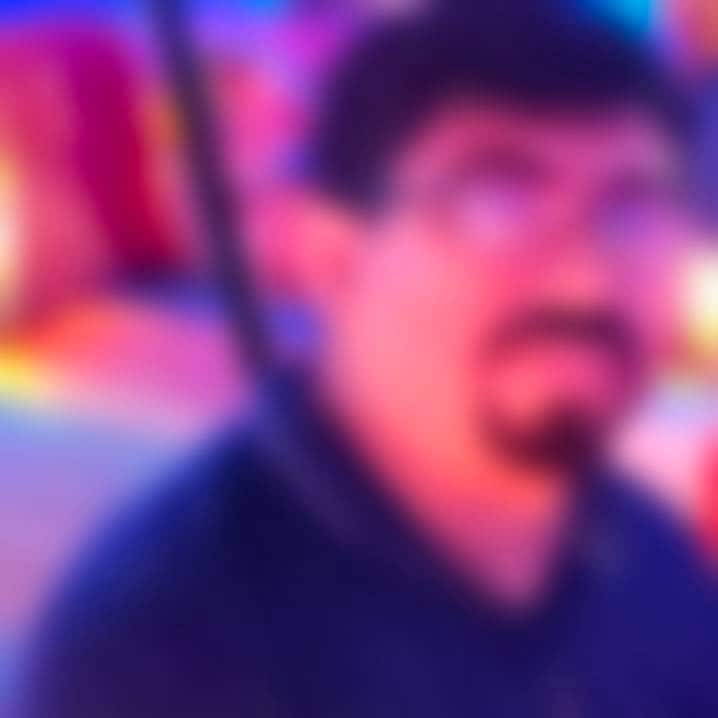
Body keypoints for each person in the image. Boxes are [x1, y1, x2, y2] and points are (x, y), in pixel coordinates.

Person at [19, 4, 717, 716]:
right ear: (335, 258)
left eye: (628, 210)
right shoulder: (166, 653)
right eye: (496, 206)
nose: (584, 277)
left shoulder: (648, 566)